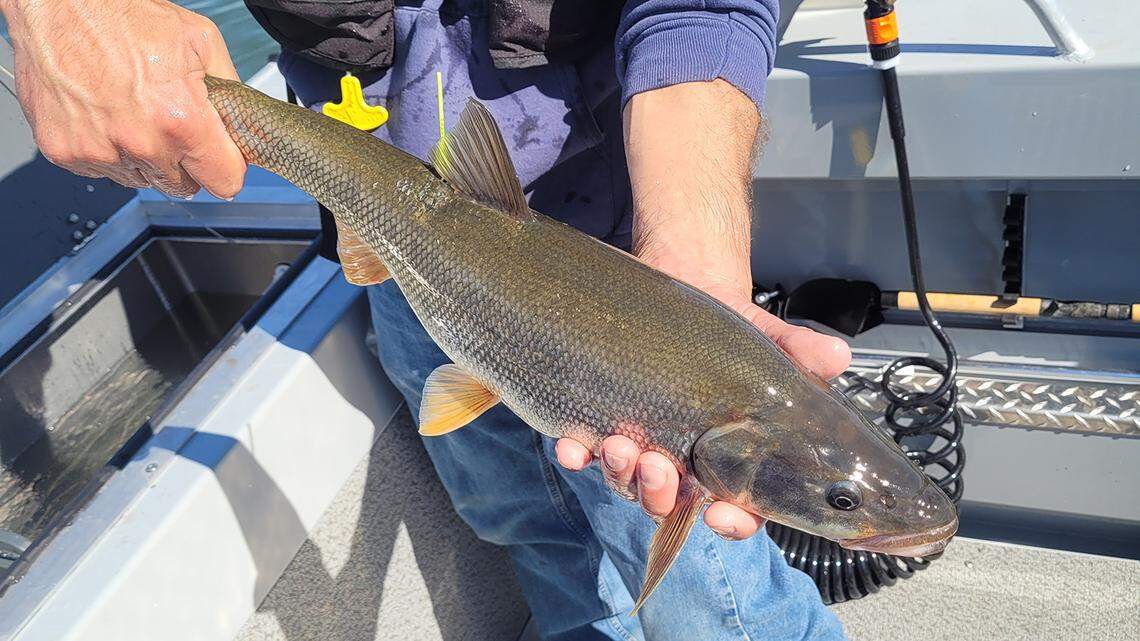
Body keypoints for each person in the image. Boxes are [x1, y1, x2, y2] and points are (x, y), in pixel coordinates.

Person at [2, 0, 852, 638]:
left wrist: (694, 267)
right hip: (412, 250)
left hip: (625, 236)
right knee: (520, 517)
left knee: (704, 578)